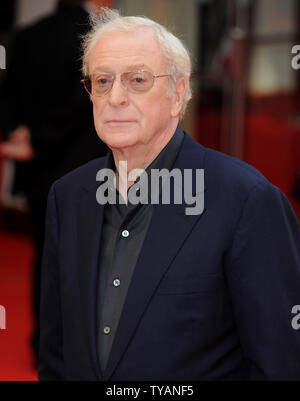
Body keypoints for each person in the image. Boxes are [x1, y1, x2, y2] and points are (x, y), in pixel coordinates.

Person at [38, 8, 300, 381]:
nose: (115, 97)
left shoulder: (246, 201)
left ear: (178, 93)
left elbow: (281, 363)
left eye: (137, 80)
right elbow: (56, 354)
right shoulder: (68, 197)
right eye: (102, 81)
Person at [0, 0, 107, 362]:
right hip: (81, 171)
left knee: (45, 257)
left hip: (38, 171)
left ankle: (44, 344)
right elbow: (83, 102)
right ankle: (75, 347)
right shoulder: (94, 39)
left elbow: (7, 92)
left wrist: (20, 136)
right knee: (87, 261)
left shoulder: (27, 35)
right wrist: (39, 139)